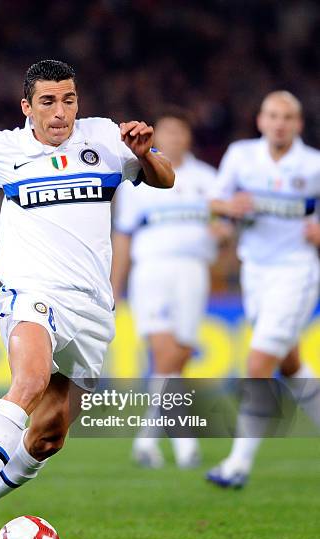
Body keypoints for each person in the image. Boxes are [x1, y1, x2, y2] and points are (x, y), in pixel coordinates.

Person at [0, 59, 174, 539]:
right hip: (31, 290)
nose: (60, 111)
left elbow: (165, 178)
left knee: (49, 435)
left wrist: (144, 154)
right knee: (30, 379)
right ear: (27, 107)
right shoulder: (4, 148)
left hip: (91, 306)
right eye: (47, 101)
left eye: (68, 99)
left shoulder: (108, 138)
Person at [206, 91, 320, 489]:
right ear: (261, 120)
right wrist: (227, 211)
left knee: (258, 364)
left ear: (298, 124)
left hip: (297, 272)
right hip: (254, 273)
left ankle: (237, 464)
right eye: (273, 115)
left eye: (288, 117)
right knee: (289, 364)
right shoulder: (241, 156)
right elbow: (216, 204)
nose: (280, 123)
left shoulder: (314, 166)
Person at [111, 109, 220, 469]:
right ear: (157, 139)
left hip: (194, 271)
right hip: (152, 271)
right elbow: (123, 237)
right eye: (167, 132)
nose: (174, 138)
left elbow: (225, 225)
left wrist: (224, 234)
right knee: (165, 353)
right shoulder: (138, 181)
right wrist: (115, 285)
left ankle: (146, 438)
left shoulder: (208, 178)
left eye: (180, 132)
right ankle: (185, 446)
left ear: (188, 137)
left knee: (179, 356)